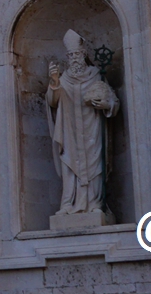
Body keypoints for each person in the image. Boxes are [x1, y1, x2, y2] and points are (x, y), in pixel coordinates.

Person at [46, 29, 119, 219]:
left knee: (95, 164)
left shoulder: (96, 75)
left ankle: (96, 203)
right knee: (69, 164)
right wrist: (54, 83)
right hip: (69, 130)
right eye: (70, 55)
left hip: (92, 128)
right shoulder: (63, 79)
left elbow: (113, 101)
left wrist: (105, 104)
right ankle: (68, 204)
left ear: (84, 54)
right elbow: (53, 102)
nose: (74, 58)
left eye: (77, 54)